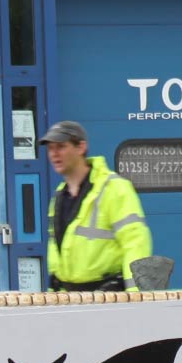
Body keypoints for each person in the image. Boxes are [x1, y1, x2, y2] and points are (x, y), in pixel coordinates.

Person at [41, 121, 152, 291]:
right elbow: (56, 253)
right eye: (50, 148)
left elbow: (136, 243)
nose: (54, 154)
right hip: (70, 299)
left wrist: (134, 295)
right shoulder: (59, 195)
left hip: (109, 298)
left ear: (81, 147)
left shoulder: (114, 188)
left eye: (61, 147)